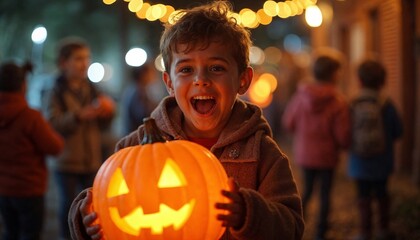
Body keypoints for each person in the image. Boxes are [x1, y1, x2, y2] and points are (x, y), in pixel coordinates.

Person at [68, 2, 304, 240]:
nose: (201, 79)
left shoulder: (262, 154)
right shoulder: (133, 147)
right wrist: (84, 219)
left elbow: (292, 227)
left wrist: (249, 214)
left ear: (243, 80)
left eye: (216, 68)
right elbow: (103, 196)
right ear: (169, 83)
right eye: (186, 70)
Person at [45, 37, 116, 240]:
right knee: (68, 206)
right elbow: (51, 124)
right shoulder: (55, 91)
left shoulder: (93, 88)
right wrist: (78, 115)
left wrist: (108, 111)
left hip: (91, 158)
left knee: (92, 207)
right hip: (66, 161)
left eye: (87, 58)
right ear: (63, 62)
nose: (84, 63)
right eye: (78, 59)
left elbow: (105, 124)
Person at [282, 54, 351, 240]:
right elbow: (342, 135)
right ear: (335, 74)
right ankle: (321, 232)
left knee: (307, 190)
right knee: (325, 194)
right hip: (327, 156)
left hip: (305, 154)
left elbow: (288, 122)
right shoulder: (338, 101)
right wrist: (346, 145)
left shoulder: (301, 96)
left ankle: (296, 224)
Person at [0, 61, 64, 239]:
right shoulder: (30, 117)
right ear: (23, 85)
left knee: (9, 232)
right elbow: (54, 147)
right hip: (29, 189)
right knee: (30, 234)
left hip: (3, 189)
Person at [348, 59, 403, 240]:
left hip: (359, 162)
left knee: (363, 197)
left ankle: (364, 231)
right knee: (382, 194)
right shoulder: (386, 103)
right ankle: (383, 229)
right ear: (383, 81)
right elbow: (398, 131)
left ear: (359, 80)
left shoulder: (352, 103)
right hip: (382, 160)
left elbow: (346, 131)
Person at [120, 62, 158, 136]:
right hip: (135, 136)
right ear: (143, 75)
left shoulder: (132, 89)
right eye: (151, 73)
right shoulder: (137, 92)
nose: (153, 76)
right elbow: (143, 114)